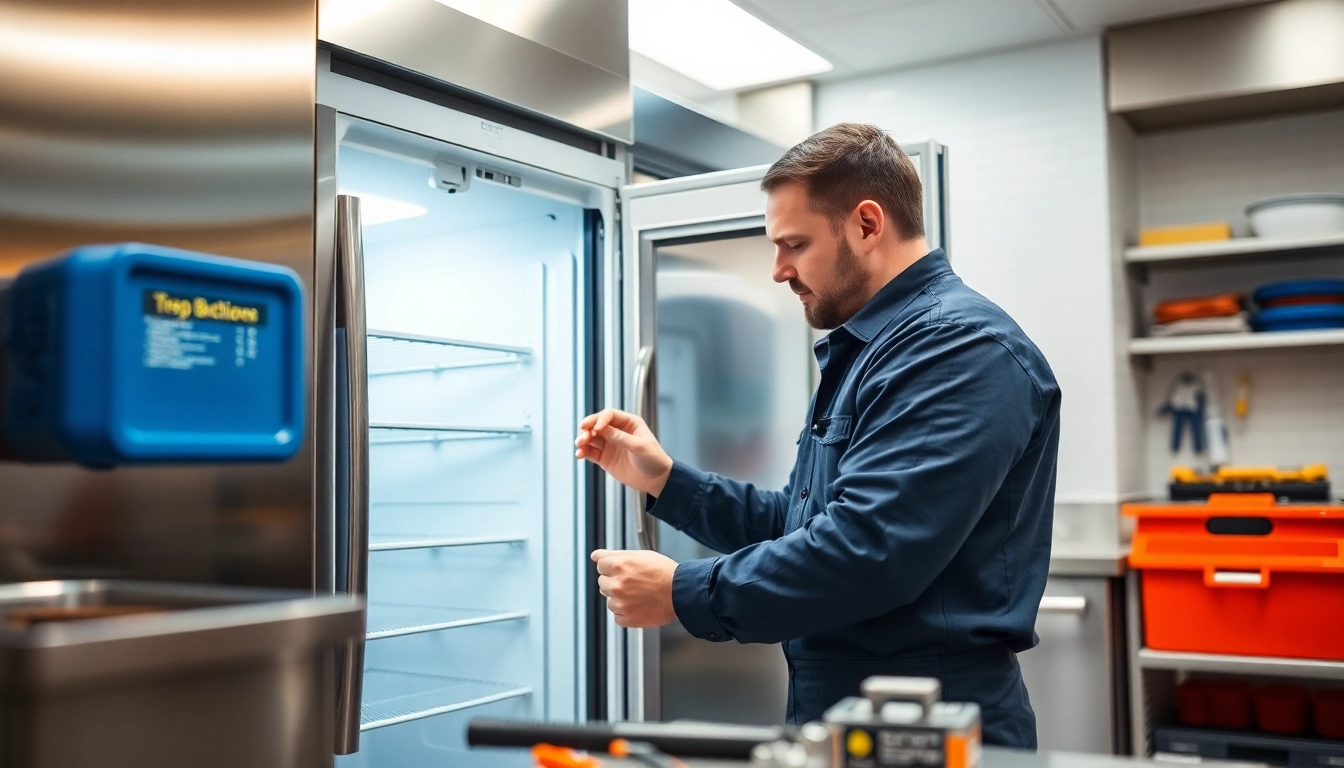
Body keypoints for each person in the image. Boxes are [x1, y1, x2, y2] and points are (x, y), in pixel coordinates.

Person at [575, 123, 1060, 748]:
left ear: (866, 224)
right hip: (845, 711)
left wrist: (683, 592)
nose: (778, 270)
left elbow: (869, 552)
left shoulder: (958, 350)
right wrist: (665, 480)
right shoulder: (872, 348)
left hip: (922, 720)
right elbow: (803, 526)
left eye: (794, 245)